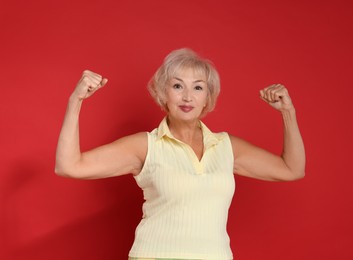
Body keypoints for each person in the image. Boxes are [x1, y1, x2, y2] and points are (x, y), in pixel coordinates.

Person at [55, 48, 305, 260]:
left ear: (208, 97)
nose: (187, 96)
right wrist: (75, 101)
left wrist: (288, 112)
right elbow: (69, 166)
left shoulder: (227, 147)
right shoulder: (146, 145)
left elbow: (291, 169)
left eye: (198, 88)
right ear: (164, 93)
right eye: (177, 86)